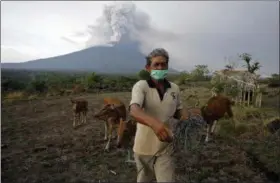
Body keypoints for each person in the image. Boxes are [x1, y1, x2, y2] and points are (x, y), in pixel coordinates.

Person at [129, 48, 189, 182]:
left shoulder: (174, 88)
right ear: (148, 68)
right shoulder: (141, 86)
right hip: (143, 148)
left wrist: (186, 116)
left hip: (166, 146)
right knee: (144, 179)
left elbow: (178, 110)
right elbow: (134, 110)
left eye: (163, 64)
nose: (160, 67)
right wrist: (155, 124)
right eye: (156, 64)